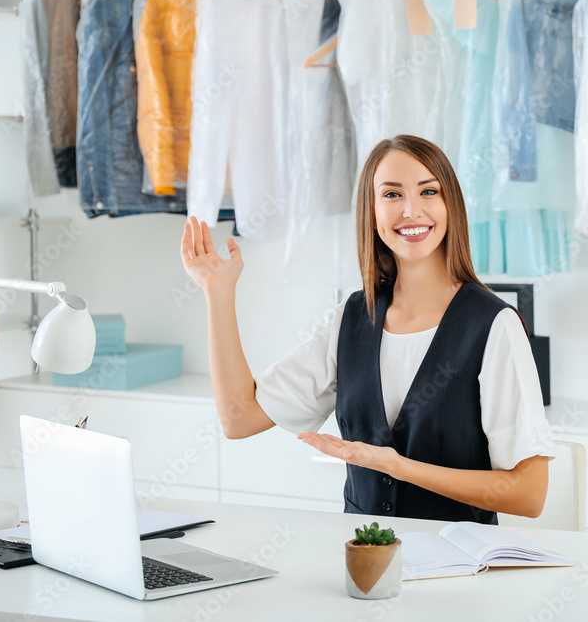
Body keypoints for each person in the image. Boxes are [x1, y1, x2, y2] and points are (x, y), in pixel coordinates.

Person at [180, 135, 555, 524]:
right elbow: (239, 419)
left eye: (429, 191)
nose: (411, 210)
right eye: (392, 195)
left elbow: (529, 495)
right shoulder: (352, 318)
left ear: (450, 205)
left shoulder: (494, 325)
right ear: (372, 212)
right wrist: (218, 294)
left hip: (459, 569)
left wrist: (397, 466)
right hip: (363, 567)